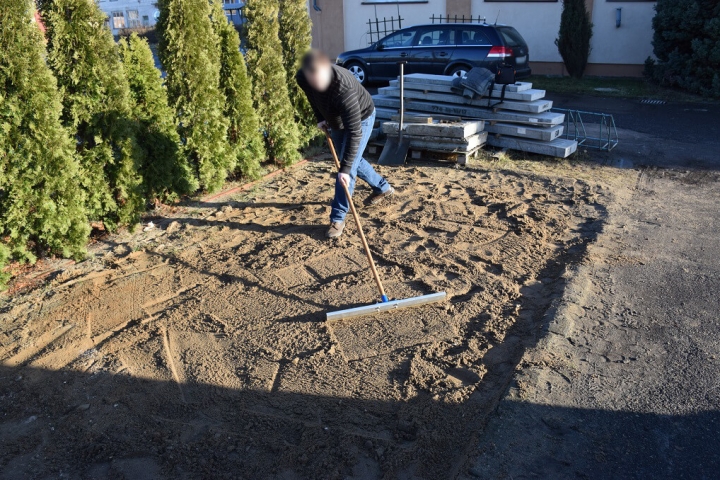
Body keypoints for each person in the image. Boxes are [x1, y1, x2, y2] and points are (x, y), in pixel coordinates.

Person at [296, 50, 394, 239]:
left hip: (361, 118)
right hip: (335, 119)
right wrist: (319, 117)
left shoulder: (343, 88)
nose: (317, 86)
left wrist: (345, 170)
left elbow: (355, 133)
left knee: (347, 169)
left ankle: (338, 217)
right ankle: (382, 187)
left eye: (320, 81)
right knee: (349, 161)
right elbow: (311, 96)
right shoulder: (303, 77)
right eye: (313, 81)